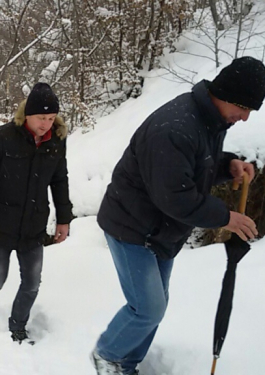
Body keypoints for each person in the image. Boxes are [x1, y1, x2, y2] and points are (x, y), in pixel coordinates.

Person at [92, 56, 265, 375]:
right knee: (147, 309)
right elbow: (175, 196)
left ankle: (127, 366)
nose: (244, 118)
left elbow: (195, 165)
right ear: (228, 96)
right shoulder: (176, 126)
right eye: (244, 109)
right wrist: (227, 218)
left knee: (154, 308)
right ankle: (107, 356)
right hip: (132, 226)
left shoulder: (210, 120)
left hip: (160, 229)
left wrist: (228, 166)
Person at [0, 83, 73, 343]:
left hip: (33, 227)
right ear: (27, 114)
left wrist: (64, 218)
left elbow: (60, 181)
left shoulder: (57, 141)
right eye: (41, 118)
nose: (46, 123)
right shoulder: (3, 137)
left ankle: (18, 328)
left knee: (32, 283)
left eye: (51, 118)